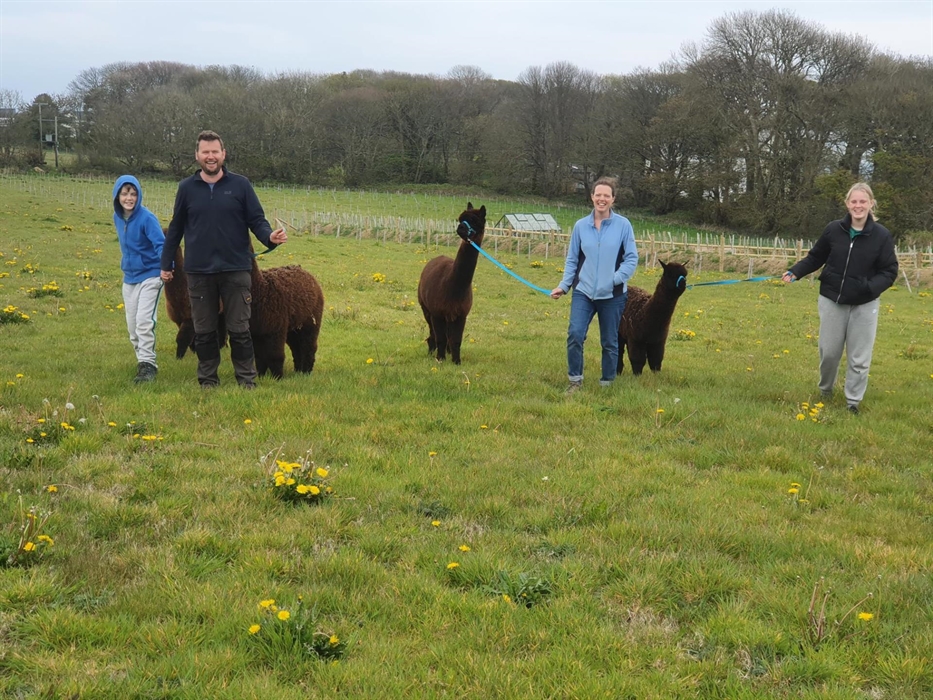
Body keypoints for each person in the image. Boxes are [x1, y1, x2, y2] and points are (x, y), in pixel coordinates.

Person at [160, 130, 287, 388]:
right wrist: (166, 264)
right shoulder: (186, 189)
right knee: (205, 330)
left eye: (215, 151)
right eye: (205, 152)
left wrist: (269, 237)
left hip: (236, 271)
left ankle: (246, 380)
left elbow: (257, 220)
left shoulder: (241, 185)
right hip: (199, 273)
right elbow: (176, 229)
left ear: (223, 154)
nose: (210, 156)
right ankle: (208, 380)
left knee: (240, 329)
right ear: (197, 155)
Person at [782, 182, 898, 414]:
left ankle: (853, 402)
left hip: (864, 304)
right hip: (832, 299)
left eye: (863, 201)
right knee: (829, 352)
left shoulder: (882, 236)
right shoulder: (833, 230)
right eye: (854, 201)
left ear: (871, 204)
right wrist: (796, 271)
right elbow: (816, 257)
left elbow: (889, 271)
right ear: (847, 204)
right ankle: (825, 390)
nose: (858, 206)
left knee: (859, 358)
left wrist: (869, 288)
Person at [551, 177, 638, 393]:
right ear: (592, 197)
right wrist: (564, 286)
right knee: (575, 334)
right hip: (584, 292)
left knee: (610, 341)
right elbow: (572, 259)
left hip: (613, 295)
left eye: (606, 196)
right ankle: (575, 381)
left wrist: (614, 280)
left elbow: (631, 259)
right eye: (598, 195)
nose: (602, 199)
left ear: (613, 199)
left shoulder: (623, 225)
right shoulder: (581, 226)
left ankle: (607, 383)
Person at [112, 175, 165, 384]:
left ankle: (148, 365)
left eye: (133, 193)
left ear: (139, 195)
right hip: (130, 277)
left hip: (151, 275)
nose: (129, 198)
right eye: (125, 193)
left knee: (144, 321)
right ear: (117, 195)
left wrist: (166, 268)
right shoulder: (117, 217)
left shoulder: (147, 218)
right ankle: (140, 360)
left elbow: (161, 244)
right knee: (132, 326)